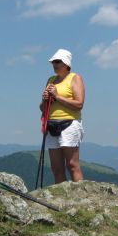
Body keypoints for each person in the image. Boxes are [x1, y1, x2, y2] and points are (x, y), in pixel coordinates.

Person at [40, 48, 85, 184]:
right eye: (53, 62)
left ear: (66, 63)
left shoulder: (75, 78)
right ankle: (63, 199)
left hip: (69, 123)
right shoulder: (51, 80)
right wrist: (45, 99)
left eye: (57, 62)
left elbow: (79, 104)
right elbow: (42, 108)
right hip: (51, 123)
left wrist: (57, 97)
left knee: (72, 165)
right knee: (56, 168)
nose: (54, 65)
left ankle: (80, 195)